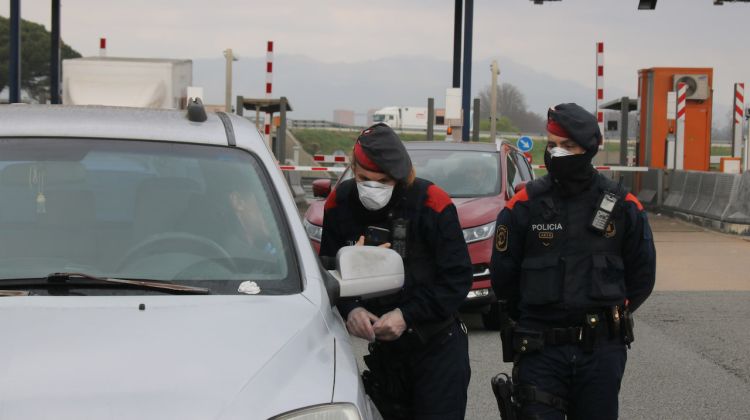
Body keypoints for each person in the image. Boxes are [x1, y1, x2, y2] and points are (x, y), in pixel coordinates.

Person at [490, 103, 656, 420]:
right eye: (551, 144)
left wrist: (609, 316)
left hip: (601, 350)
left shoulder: (624, 207)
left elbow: (642, 278)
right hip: (540, 349)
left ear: (587, 149)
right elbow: (504, 279)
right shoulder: (524, 205)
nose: (556, 152)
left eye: (567, 146)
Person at [319, 123, 473, 420]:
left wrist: (408, 315)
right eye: (364, 179)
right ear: (353, 168)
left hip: (435, 346)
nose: (373, 187)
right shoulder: (339, 203)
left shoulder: (432, 204)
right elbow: (327, 273)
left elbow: (457, 279)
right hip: (385, 357)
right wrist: (352, 309)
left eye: (384, 181)